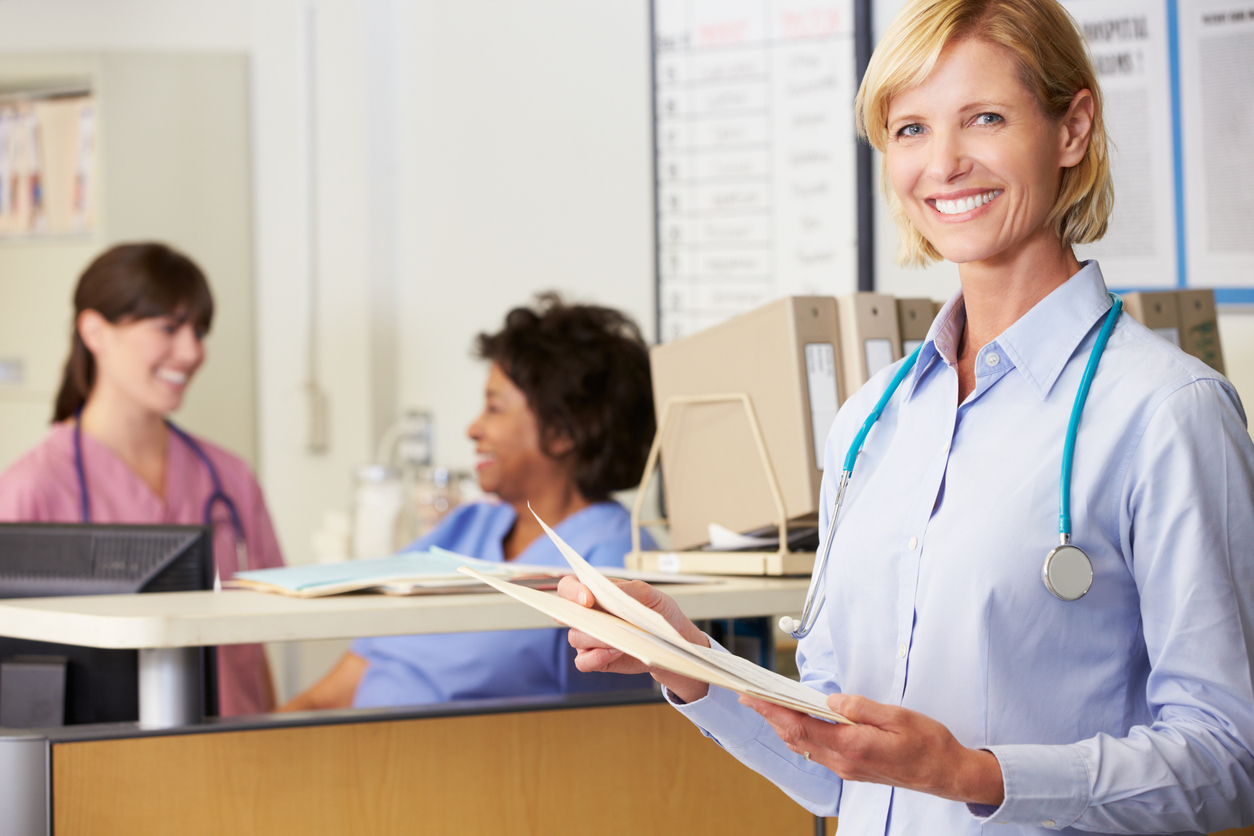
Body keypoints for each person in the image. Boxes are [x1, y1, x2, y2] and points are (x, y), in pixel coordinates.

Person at [558, 1, 1254, 833]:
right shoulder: (870, 420)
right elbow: (834, 768)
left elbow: (1230, 758)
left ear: (1071, 130)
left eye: (985, 118)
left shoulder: (1168, 414)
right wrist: (689, 664)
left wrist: (971, 774)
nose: (945, 163)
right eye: (912, 129)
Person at [282, 293, 655, 711]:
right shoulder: (469, 525)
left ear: (563, 431)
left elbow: (612, 734)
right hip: (351, 755)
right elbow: (350, 676)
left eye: (494, 408)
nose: (473, 428)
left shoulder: (615, 557)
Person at [0, 242, 286, 716]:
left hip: (241, 755)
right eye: (169, 328)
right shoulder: (30, 489)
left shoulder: (230, 478)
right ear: (95, 331)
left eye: (198, 330)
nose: (193, 351)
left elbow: (259, 647)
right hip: (104, 766)